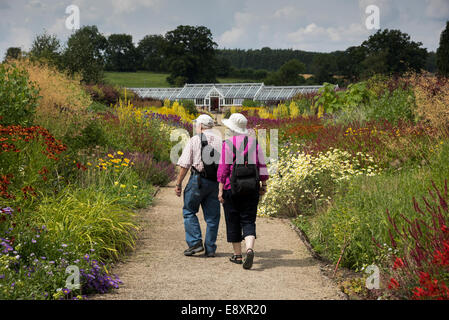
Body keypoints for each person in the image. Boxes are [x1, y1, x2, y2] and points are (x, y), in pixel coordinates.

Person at [217, 113, 269, 269]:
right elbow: (262, 166)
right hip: (251, 188)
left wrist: (220, 191)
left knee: (232, 220)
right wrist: (263, 185)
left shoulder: (227, 144)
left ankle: (238, 256)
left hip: (230, 188)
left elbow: (223, 170)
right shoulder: (254, 143)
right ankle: (250, 249)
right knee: (248, 220)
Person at [175, 114, 222, 257]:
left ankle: (195, 243)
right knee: (213, 217)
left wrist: (178, 183)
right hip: (215, 182)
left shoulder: (195, 140)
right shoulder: (221, 141)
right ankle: (210, 248)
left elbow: (184, 164)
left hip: (198, 181)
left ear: (200, 126)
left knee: (189, 211)